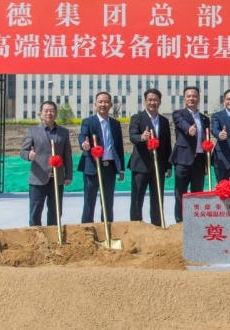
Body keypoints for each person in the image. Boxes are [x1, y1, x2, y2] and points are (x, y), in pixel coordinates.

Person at [20, 100, 73, 227]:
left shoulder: (63, 132)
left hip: (57, 179)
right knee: (35, 212)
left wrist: (68, 175)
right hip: (38, 178)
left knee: (55, 212)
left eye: (52, 111)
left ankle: (54, 235)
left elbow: (67, 155)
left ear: (56, 113)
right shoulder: (32, 131)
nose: (49, 113)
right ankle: (36, 235)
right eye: (46, 111)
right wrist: (29, 156)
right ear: (40, 114)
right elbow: (23, 151)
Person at [77, 92, 125, 224]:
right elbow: (83, 135)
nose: (103, 104)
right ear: (95, 104)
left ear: (110, 104)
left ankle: (107, 227)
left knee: (108, 201)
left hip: (109, 168)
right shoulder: (88, 122)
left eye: (106, 102)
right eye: (100, 102)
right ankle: (87, 228)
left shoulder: (115, 124)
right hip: (92, 167)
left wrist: (120, 169)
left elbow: (119, 146)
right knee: (89, 200)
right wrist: (84, 144)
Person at [127, 88, 172, 226]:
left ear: (160, 102)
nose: (152, 102)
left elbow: (167, 144)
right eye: (150, 100)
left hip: (159, 166)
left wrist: (169, 165)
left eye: (155, 100)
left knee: (157, 198)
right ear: (145, 101)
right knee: (137, 198)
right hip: (141, 165)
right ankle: (136, 225)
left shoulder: (164, 121)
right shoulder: (137, 118)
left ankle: (157, 225)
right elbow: (132, 137)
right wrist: (142, 137)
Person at [170, 85, 210, 223]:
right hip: (183, 160)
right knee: (180, 193)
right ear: (184, 98)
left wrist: (206, 164)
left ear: (198, 98)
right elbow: (181, 123)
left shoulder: (204, 119)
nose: (191, 98)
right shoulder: (178, 113)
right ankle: (180, 222)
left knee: (197, 193)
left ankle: (195, 222)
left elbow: (206, 139)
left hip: (199, 160)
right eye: (189, 96)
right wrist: (189, 129)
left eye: (194, 96)